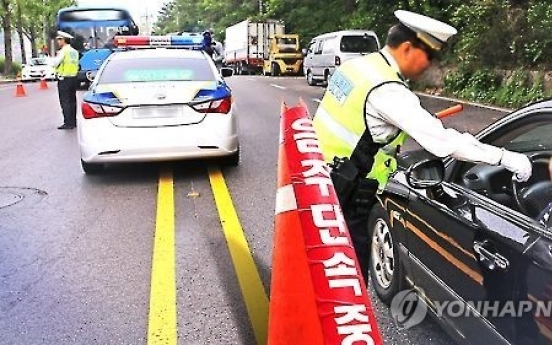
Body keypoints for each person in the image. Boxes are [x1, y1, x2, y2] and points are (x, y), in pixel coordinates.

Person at [312, 10, 533, 281]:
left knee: (322, 270)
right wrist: (504, 158)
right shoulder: (389, 91)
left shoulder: (357, 68)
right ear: (407, 48)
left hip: (319, 183)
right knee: (348, 282)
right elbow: (444, 143)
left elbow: (357, 122)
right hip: (347, 196)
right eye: (429, 56)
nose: (429, 65)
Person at [51, 31, 79, 130]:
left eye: (59, 39)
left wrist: (52, 59)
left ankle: (68, 123)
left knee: (65, 101)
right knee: (72, 101)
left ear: (64, 40)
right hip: (73, 78)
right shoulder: (74, 52)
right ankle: (73, 121)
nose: (58, 41)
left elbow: (55, 63)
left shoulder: (64, 51)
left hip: (64, 79)